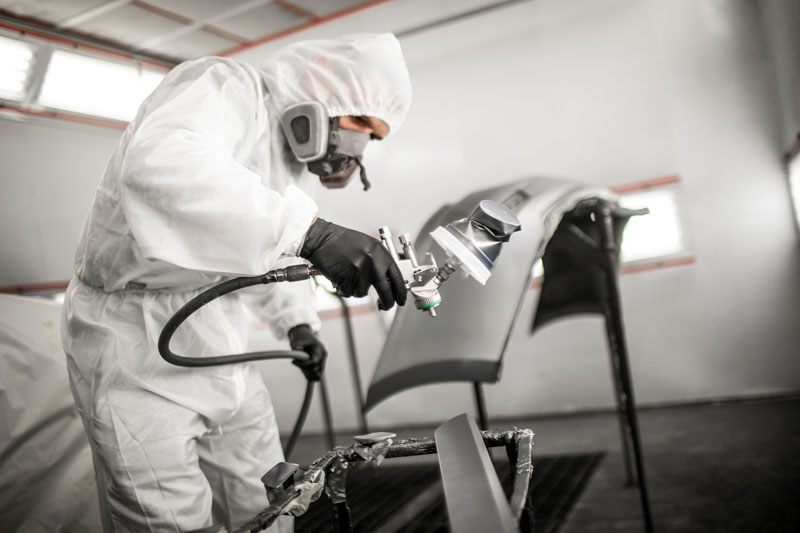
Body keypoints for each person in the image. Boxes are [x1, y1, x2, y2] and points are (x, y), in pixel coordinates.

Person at [60, 33, 411, 532]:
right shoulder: (225, 86)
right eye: (359, 122)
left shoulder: (285, 160)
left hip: (220, 338)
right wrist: (312, 233)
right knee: (167, 516)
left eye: (373, 136)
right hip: (133, 344)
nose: (360, 144)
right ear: (318, 90)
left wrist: (298, 324)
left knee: (268, 497)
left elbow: (254, 250)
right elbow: (162, 165)